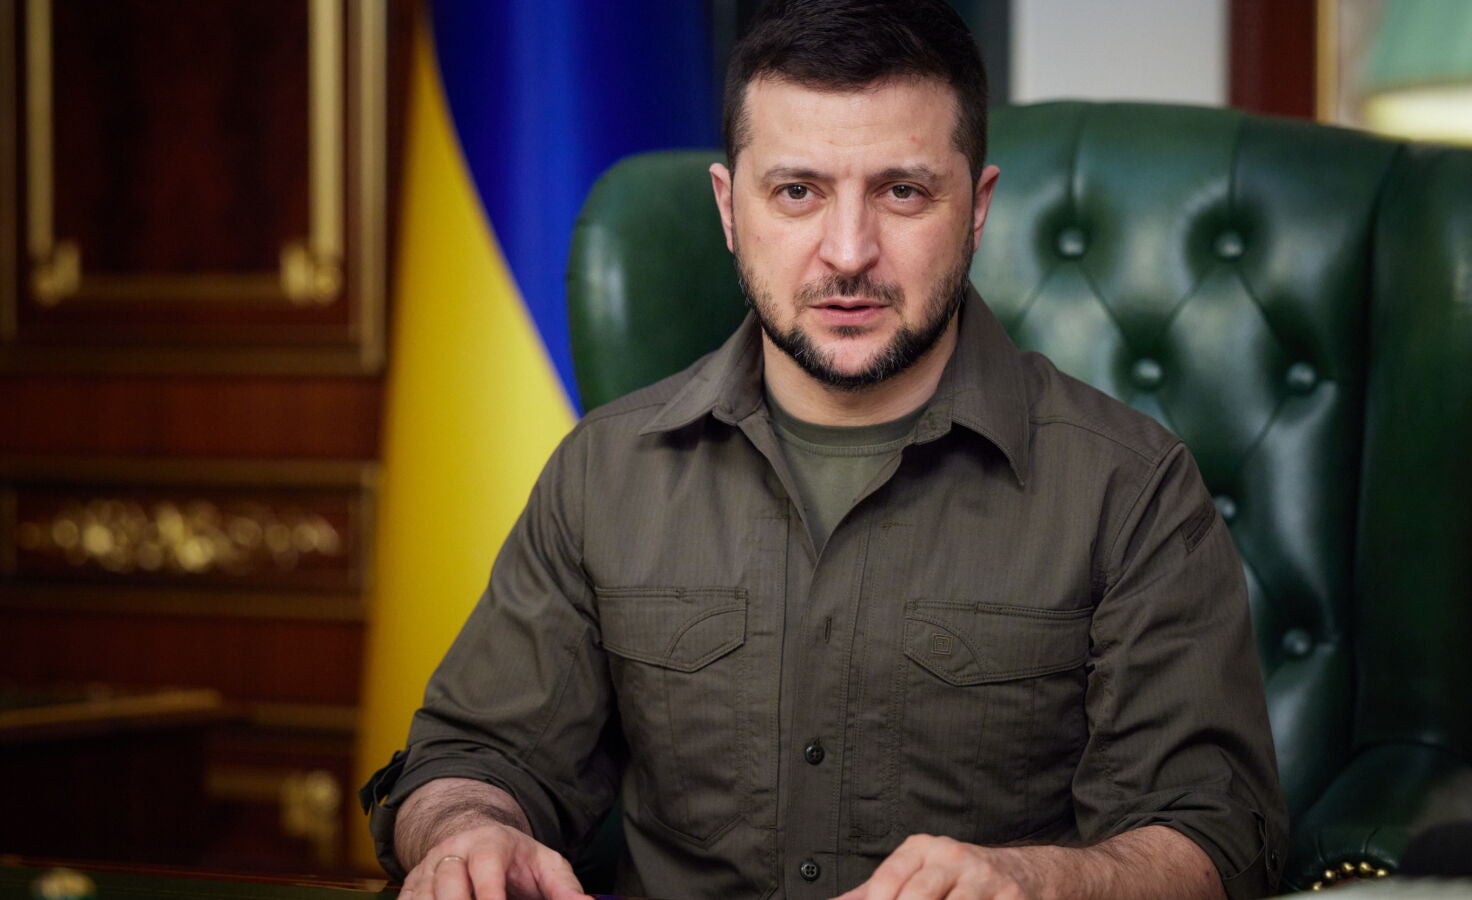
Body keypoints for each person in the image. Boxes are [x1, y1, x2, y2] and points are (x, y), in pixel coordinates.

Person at [362, 1, 1288, 897]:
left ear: (977, 207)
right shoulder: (602, 471)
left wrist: (1038, 882)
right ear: (729, 208)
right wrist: (465, 832)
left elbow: (1213, 834)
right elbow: (473, 757)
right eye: (797, 192)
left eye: (902, 192)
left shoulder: (1131, 488)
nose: (848, 253)